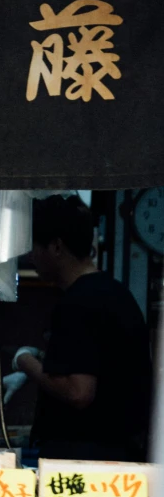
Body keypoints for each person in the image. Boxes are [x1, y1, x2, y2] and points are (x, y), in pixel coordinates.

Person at [13, 195, 153, 458]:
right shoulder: (114, 292)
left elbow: (78, 392)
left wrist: (25, 362)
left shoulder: (79, 302)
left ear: (56, 247)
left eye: (34, 247)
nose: (32, 256)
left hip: (86, 460)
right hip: (117, 455)